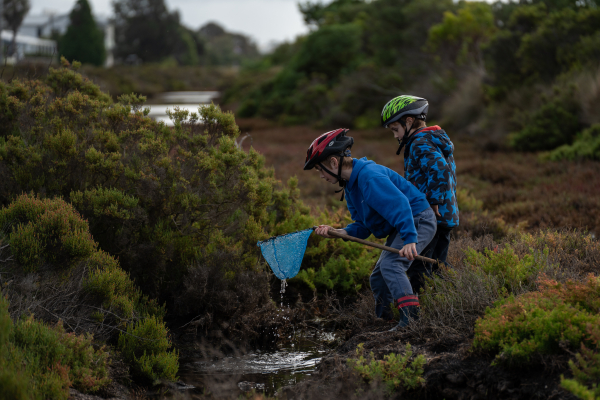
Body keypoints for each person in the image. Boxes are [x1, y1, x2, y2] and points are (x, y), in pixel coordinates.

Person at [304, 128, 437, 330]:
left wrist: (410, 239)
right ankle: (384, 322)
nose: (321, 176)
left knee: (392, 265)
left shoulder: (369, 177)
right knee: (378, 276)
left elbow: (400, 204)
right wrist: (341, 232)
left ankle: (411, 321)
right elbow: (363, 225)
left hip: (417, 219)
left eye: (320, 169)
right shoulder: (350, 185)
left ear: (333, 162)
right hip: (403, 223)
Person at [380, 95, 459, 294]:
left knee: (418, 270)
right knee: (437, 267)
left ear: (408, 121)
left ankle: (420, 313)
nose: (396, 136)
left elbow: (440, 170)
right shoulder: (433, 139)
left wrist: (433, 202)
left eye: (395, 130)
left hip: (432, 216)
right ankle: (449, 302)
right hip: (446, 215)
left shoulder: (419, 142)